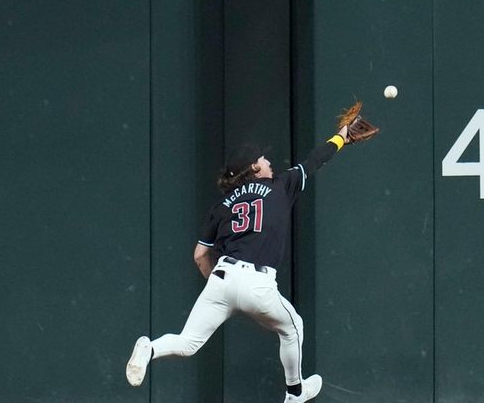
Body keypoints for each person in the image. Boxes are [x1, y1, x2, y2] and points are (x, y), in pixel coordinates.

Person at [126, 125, 350, 403]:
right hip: (258, 282)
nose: (268, 161)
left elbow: (199, 254)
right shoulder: (280, 185)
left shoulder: (222, 205)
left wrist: (218, 286)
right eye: (263, 159)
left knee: (188, 342)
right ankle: (294, 393)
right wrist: (343, 136)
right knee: (293, 328)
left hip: (223, 277)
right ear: (254, 168)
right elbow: (316, 159)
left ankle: (149, 349)